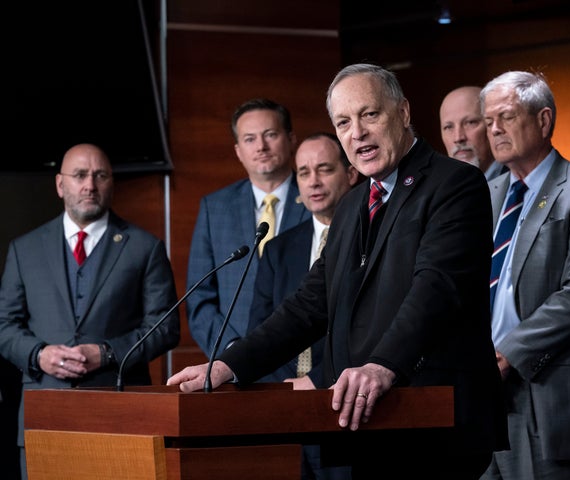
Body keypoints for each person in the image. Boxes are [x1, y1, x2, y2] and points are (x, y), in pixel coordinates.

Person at [168, 63, 508, 479]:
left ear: (402, 113)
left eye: (370, 114)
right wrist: (228, 366)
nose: (357, 132)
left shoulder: (455, 184)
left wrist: (382, 365)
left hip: (433, 420)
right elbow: (309, 304)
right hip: (367, 423)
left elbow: (436, 289)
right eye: (343, 122)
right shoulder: (352, 204)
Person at [0, 143, 180, 480]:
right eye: (80, 175)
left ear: (112, 183)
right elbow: (3, 325)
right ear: (60, 184)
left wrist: (108, 353)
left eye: (100, 176)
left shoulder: (145, 247)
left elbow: (165, 326)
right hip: (44, 414)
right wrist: (38, 354)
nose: (90, 185)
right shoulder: (24, 249)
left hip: (120, 411)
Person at [479, 71, 570, 480]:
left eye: (506, 116)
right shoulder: (487, 192)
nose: (493, 128)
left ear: (544, 120)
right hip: (482, 394)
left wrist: (507, 353)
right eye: (488, 121)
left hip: (545, 391)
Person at [248, 132, 358, 479]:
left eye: (324, 169)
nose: (313, 181)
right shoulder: (279, 248)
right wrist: (285, 393)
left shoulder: (370, 242)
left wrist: (315, 381)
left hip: (345, 409)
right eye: (304, 172)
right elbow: (263, 329)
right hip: (285, 415)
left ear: (351, 173)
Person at [186, 98, 311, 357]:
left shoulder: (318, 199)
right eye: (250, 139)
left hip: (303, 358)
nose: (261, 147)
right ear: (238, 151)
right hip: (234, 361)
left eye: (270, 135)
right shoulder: (214, 207)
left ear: (291, 139)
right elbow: (199, 297)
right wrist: (233, 350)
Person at [439, 85, 504, 180]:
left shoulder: (518, 185)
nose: (458, 138)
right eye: (448, 127)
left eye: (470, 123)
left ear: (492, 125)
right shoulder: (440, 190)